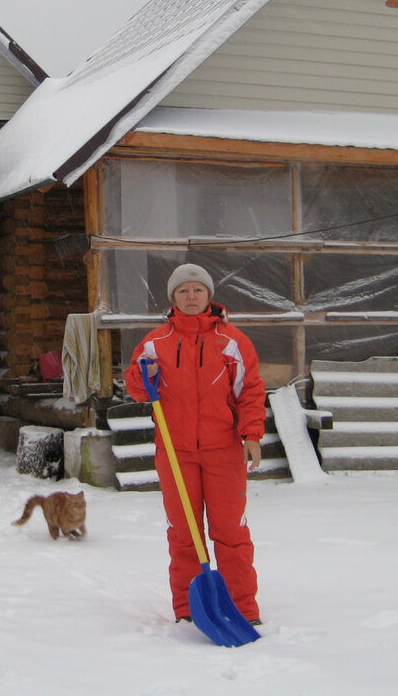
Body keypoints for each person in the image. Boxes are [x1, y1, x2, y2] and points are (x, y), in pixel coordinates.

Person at [123, 263, 266, 625]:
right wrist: (143, 374)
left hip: (224, 451)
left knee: (230, 532)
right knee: (185, 535)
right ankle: (189, 610)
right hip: (175, 453)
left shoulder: (232, 341)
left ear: (209, 295)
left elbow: (250, 391)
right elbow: (136, 388)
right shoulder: (155, 343)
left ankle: (243, 608)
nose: (191, 296)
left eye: (197, 290)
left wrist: (251, 435)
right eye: (183, 290)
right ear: (173, 297)